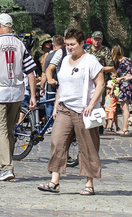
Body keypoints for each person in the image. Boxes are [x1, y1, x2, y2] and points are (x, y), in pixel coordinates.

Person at [37, 28, 105, 195]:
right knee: (57, 141)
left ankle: (89, 183)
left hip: (83, 110)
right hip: (64, 108)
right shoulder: (66, 60)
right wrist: (56, 105)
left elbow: (100, 84)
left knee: (87, 146)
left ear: (82, 43)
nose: (69, 47)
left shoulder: (90, 60)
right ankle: (54, 181)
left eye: (73, 44)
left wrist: (91, 104)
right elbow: (62, 84)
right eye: (67, 44)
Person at [0, 13, 37, 181]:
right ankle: (7, 163)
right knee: (10, 130)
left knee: (0, 129)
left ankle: (6, 167)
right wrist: (33, 95)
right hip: (17, 92)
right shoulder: (19, 44)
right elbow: (30, 71)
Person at [112, 45, 132, 136]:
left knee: (125, 107)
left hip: (126, 86)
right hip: (122, 86)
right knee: (122, 106)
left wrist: (120, 78)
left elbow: (130, 74)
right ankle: (124, 128)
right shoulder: (120, 62)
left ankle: (125, 128)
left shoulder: (125, 62)